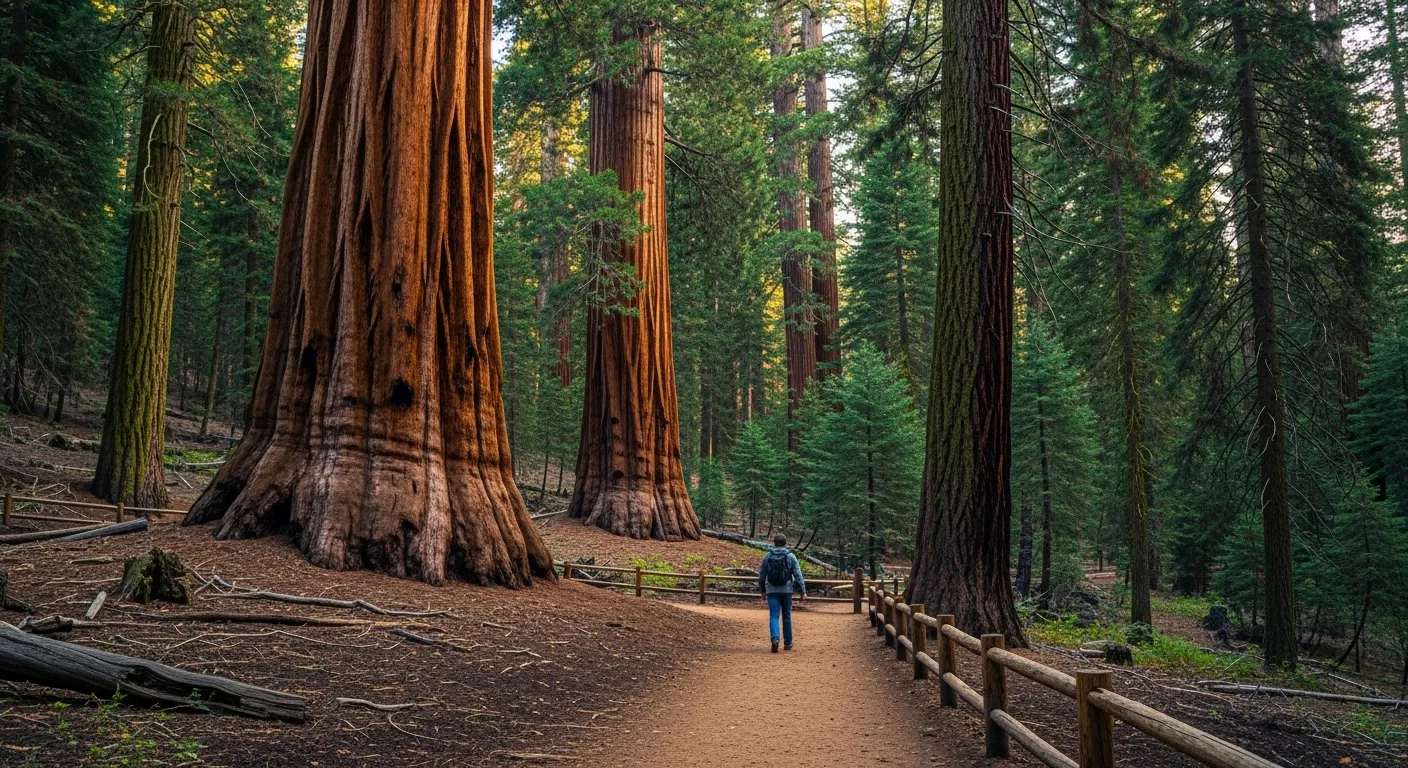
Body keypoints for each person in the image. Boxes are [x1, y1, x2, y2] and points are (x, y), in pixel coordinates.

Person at [758, 533, 806, 652]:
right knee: (786, 616)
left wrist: (762, 590)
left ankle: (775, 639)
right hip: (787, 590)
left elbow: (762, 575)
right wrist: (803, 591)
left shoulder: (768, 556)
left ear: (774, 543)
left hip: (771, 590)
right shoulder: (791, 556)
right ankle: (788, 643)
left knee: (774, 615)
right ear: (785, 543)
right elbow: (798, 575)